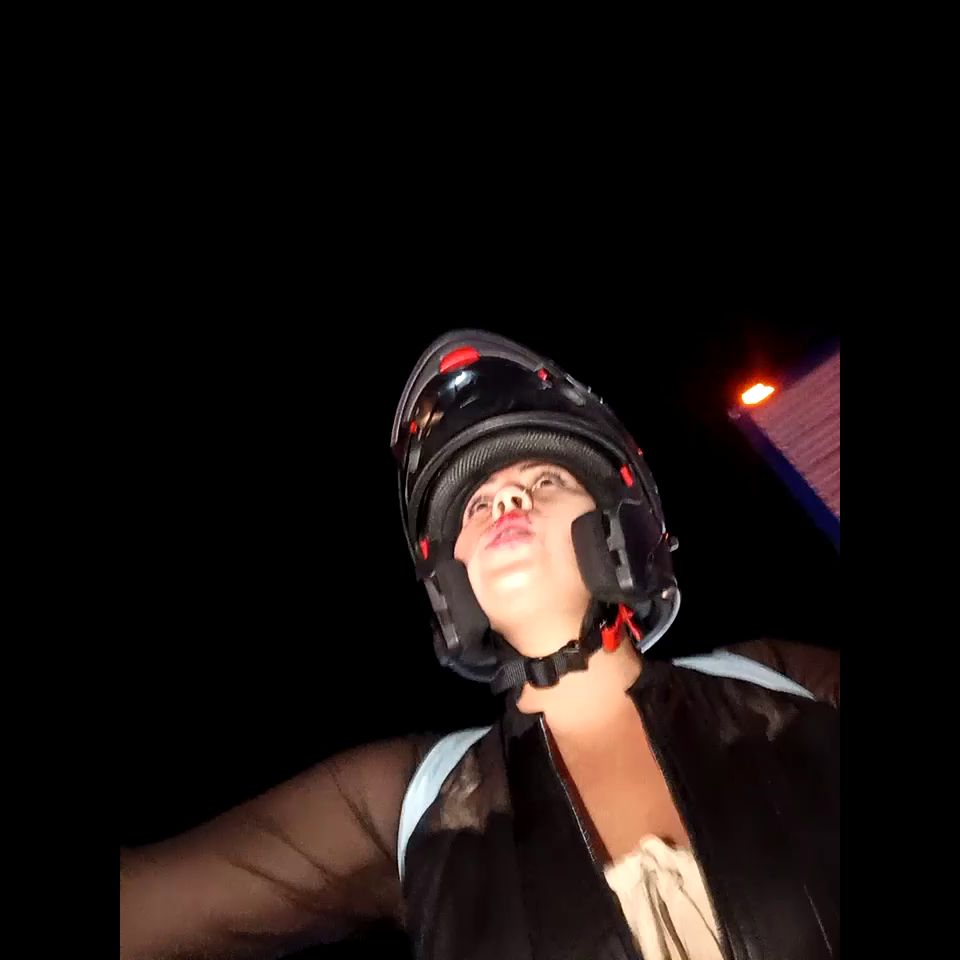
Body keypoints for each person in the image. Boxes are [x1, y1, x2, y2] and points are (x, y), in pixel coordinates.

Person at [120, 330, 839, 960]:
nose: (507, 503)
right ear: (453, 583)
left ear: (619, 530)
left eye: (545, 478)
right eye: (478, 504)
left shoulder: (784, 684)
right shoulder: (410, 804)